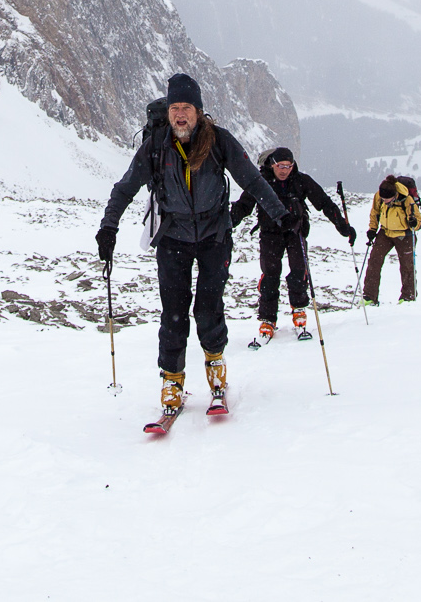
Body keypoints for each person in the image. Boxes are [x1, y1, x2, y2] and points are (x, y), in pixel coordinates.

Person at [97, 72, 295, 422]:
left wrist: (282, 216)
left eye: (186, 107)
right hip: (173, 237)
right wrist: (108, 226)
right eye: (175, 107)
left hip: (214, 236)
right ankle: (172, 382)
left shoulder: (218, 140)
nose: (180, 114)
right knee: (173, 314)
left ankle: (215, 365)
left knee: (207, 307)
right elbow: (125, 186)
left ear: (199, 110)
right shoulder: (157, 143)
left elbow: (251, 178)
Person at [229, 147, 357, 346]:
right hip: (270, 233)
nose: (284, 170)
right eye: (280, 166)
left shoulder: (301, 180)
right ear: (272, 164)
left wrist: (343, 226)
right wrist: (227, 223)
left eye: (288, 166)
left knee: (298, 270)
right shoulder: (260, 182)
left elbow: (323, 202)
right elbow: (243, 205)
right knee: (270, 274)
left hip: (295, 231)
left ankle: (299, 310)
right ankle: (268, 319)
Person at [360, 174, 421, 303]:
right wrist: (372, 229)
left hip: (404, 235)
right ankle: (369, 296)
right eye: (382, 199)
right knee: (374, 261)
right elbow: (375, 212)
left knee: (407, 266)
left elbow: (419, 222)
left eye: (387, 199)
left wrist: (414, 224)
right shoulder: (379, 195)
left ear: (395, 195)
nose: (384, 201)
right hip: (385, 232)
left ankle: (408, 297)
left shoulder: (407, 200)